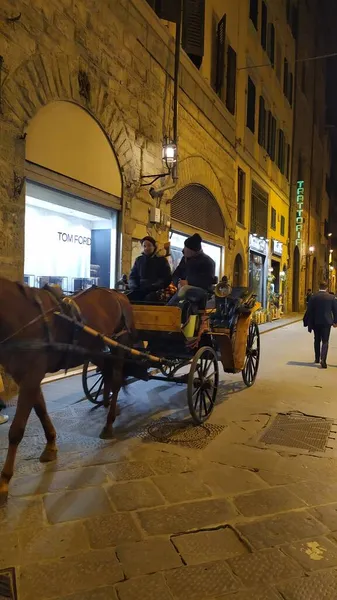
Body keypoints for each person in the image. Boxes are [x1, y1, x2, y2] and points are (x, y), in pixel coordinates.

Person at [168, 233, 216, 305]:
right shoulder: (184, 259)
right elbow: (176, 274)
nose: (183, 250)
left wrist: (188, 282)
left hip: (203, 292)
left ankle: (168, 309)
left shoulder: (208, 262)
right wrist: (178, 282)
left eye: (186, 248)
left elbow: (207, 281)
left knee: (185, 290)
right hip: (182, 289)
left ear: (193, 250)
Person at [304, 281, 337, 368]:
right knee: (325, 341)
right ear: (327, 288)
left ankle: (317, 358)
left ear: (319, 286)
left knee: (317, 340)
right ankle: (323, 360)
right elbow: (335, 310)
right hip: (327, 322)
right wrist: (335, 322)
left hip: (316, 322)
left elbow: (309, 310)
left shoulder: (313, 297)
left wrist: (307, 321)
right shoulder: (331, 297)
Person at [128, 236, 172, 301]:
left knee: (149, 299)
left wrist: (153, 286)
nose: (146, 248)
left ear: (154, 247)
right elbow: (133, 276)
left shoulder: (162, 260)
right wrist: (133, 286)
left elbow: (166, 278)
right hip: (139, 289)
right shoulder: (139, 260)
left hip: (155, 291)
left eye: (149, 245)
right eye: (144, 246)